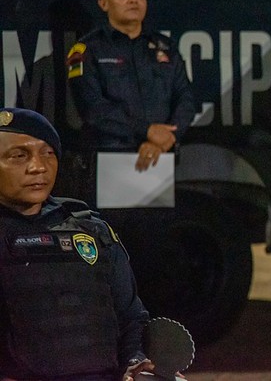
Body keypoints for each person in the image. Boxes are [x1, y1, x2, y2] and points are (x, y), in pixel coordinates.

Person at [0, 107, 157, 380]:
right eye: (18, 156)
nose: (38, 166)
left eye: (48, 153)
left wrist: (135, 361)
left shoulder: (91, 228)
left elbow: (132, 318)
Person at [65, 0, 196, 202]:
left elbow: (185, 98)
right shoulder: (86, 50)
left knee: (158, 233)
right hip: (110, 163)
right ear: (103, 3)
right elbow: (93, 109)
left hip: (161, 161)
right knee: (114, 233)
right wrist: (147, 131)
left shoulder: (165, 47)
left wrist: (167, 138)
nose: (133, 0)